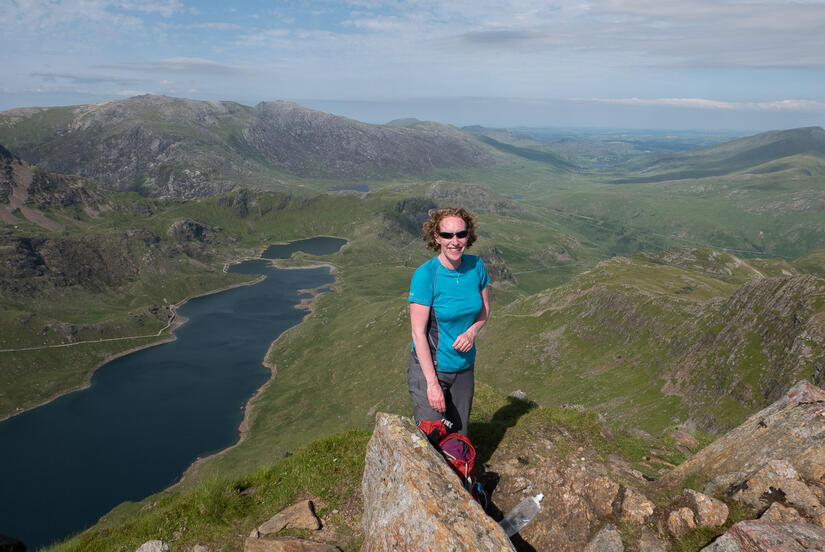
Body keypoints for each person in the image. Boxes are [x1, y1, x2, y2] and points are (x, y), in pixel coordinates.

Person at [408, 207, 491, 437]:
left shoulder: (477, 267)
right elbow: (418, 333)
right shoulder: (425, 275)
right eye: (447, 235)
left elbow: (484, 310)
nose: (454, 241)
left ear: (468, 236)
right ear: (437, 237)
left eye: (460, 234)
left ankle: (463, 474)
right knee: (432, 436)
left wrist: (472, 332)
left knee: (459, 435)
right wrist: (432, 384)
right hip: (433, 369)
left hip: (464, 367)